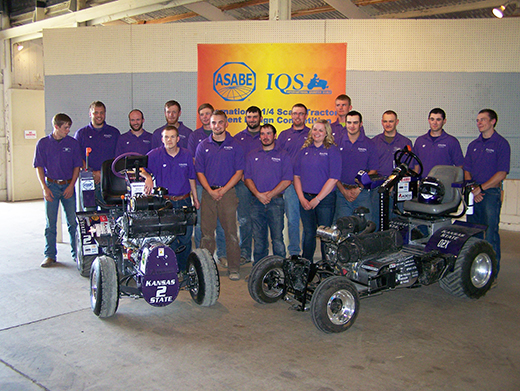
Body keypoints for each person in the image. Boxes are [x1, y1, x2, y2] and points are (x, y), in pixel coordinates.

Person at [141, 126, 199, 273]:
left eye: (172, 137)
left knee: (186, 239)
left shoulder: (186, 155)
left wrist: (195, 199)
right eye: (166, 137)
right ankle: (172, 271)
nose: (169, 140)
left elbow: (192, 178)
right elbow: (139, 167)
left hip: (184, 201)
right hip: (165, 204)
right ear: (162, 139)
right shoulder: (155, 155)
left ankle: (185, 270)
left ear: (178, 139)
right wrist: (148, 177)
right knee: (169, 239)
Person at [195, 110, 244, 280]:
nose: (216, 126)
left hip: (228, 193)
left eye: (220, 122)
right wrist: (209, 190)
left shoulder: (235, 145)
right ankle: (206, 269)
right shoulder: (202, 146)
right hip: (208, 194)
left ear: (226, 123)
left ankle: (234, 268)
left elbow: (239, 172)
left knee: (231, 232)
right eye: (213, 123)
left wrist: (223, 190)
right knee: (207, 233)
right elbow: (199, 171)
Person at [464, 109, 510, 276]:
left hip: (490, 194)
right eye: (477, 120)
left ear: (493, 121)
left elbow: (502, 173)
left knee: (490, 233)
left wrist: (481, 189)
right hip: (473, 193)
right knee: (472, 233)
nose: (479, 123)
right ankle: (475, 271)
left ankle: (491, 274)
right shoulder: (473, 145)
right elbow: (466, 170)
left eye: (483, 120)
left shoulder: (501, 144)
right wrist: (472, 189)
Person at [34, 113, 83, 267]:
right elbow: (39, 166)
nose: (68, 130)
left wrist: (71, 186)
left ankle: (77, 254)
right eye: (65, 127)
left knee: (72, 223)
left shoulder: (73, 144)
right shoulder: (43, 144)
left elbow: (77, 166)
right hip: (51, 186)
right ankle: (50, 255)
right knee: (51, 223)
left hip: (68, 185)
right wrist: (44, 188)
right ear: (56, 127)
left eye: (69, 127)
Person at [294, 119, 341, 261]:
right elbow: (296, 176)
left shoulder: (332, 150)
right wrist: (302, 198)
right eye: (315, 129)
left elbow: (333, 178)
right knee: (309, 234)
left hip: (325, 200)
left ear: (327, 133)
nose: (317, 133)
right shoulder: (304, 151)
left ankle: (327, 268)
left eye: (321, 130)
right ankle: (306, 266)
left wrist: (318, 199)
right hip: (306, 199)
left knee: (325, 235)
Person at [244, 124, 292, 264]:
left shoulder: (283, 155)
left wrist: (270, 195)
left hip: (276, 202)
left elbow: (287, 179)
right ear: (260, 136)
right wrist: (259, 194)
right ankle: (258, 270)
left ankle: (281, 270)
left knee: (277, 239)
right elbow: (247, 178)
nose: (265, 137)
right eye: (263, 134)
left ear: (275, 136)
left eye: (269, 133)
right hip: (256, 202)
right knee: (259, 240)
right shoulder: (252, 155)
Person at [277, 103, 310, 257]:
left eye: (301, 113)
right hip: (290, 184)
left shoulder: (312, 134)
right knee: (293, 220)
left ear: (306, 115)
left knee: (309, 222)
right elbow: (278, 159)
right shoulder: (283, 135)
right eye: (295, 113)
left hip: (309, 184)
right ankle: (295, 252)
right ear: (291, 115)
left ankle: (307, 252)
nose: (298, 116)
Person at [371, 110, 413, 227]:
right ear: (382, 122)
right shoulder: (374, 142)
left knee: (398, 221)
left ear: (397, 122)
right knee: (376, 219)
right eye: (385, 121)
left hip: (399, 187)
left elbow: (410, 167)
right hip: (378, 186)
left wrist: (393, 184)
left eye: (391, 121)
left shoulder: (405, 143)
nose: (388, 124)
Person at [336, 111, 378, 224]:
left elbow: (373, 171)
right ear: (345, 124)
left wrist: (359, 189)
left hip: (362, 194)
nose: (352, 126)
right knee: (343, 229)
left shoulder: (370, 144)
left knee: (365, 228)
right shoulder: (336, 143)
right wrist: (343, 191)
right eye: (349, 122)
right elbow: (332, 171)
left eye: (355, 122)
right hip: (341, 194)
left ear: (361, 124)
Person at [234, 106, 263, 264]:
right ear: (246, 119)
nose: (252, 119)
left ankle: (260, 254)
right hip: (243, 186)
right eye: (249, 117)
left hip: (263, 186)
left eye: (255, 117)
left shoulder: (266, 136)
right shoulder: (238, 138)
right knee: (244, 219)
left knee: (260, 220)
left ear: (260, 118)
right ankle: (244, 252)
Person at [74, 101, 120, 203]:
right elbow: (77, 157)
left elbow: (117, 156)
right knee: (90, 212)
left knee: (109, 212)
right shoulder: (81, 133)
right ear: (90, 114)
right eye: (96, 113)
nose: (99, 116)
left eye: (102, 113)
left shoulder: (114, 132)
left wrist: (102, 173)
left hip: (108, 180)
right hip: (88, 179)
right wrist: (93, 173)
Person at [413, 108, 464, 176]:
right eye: (432, 119)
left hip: (444, 184)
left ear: (444, 121)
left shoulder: (452, 141)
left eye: (438, 119)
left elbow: (460, 166)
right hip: (424, 183)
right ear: (429, 120)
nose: (434, 122)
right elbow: (416, 165)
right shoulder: (420, 141)